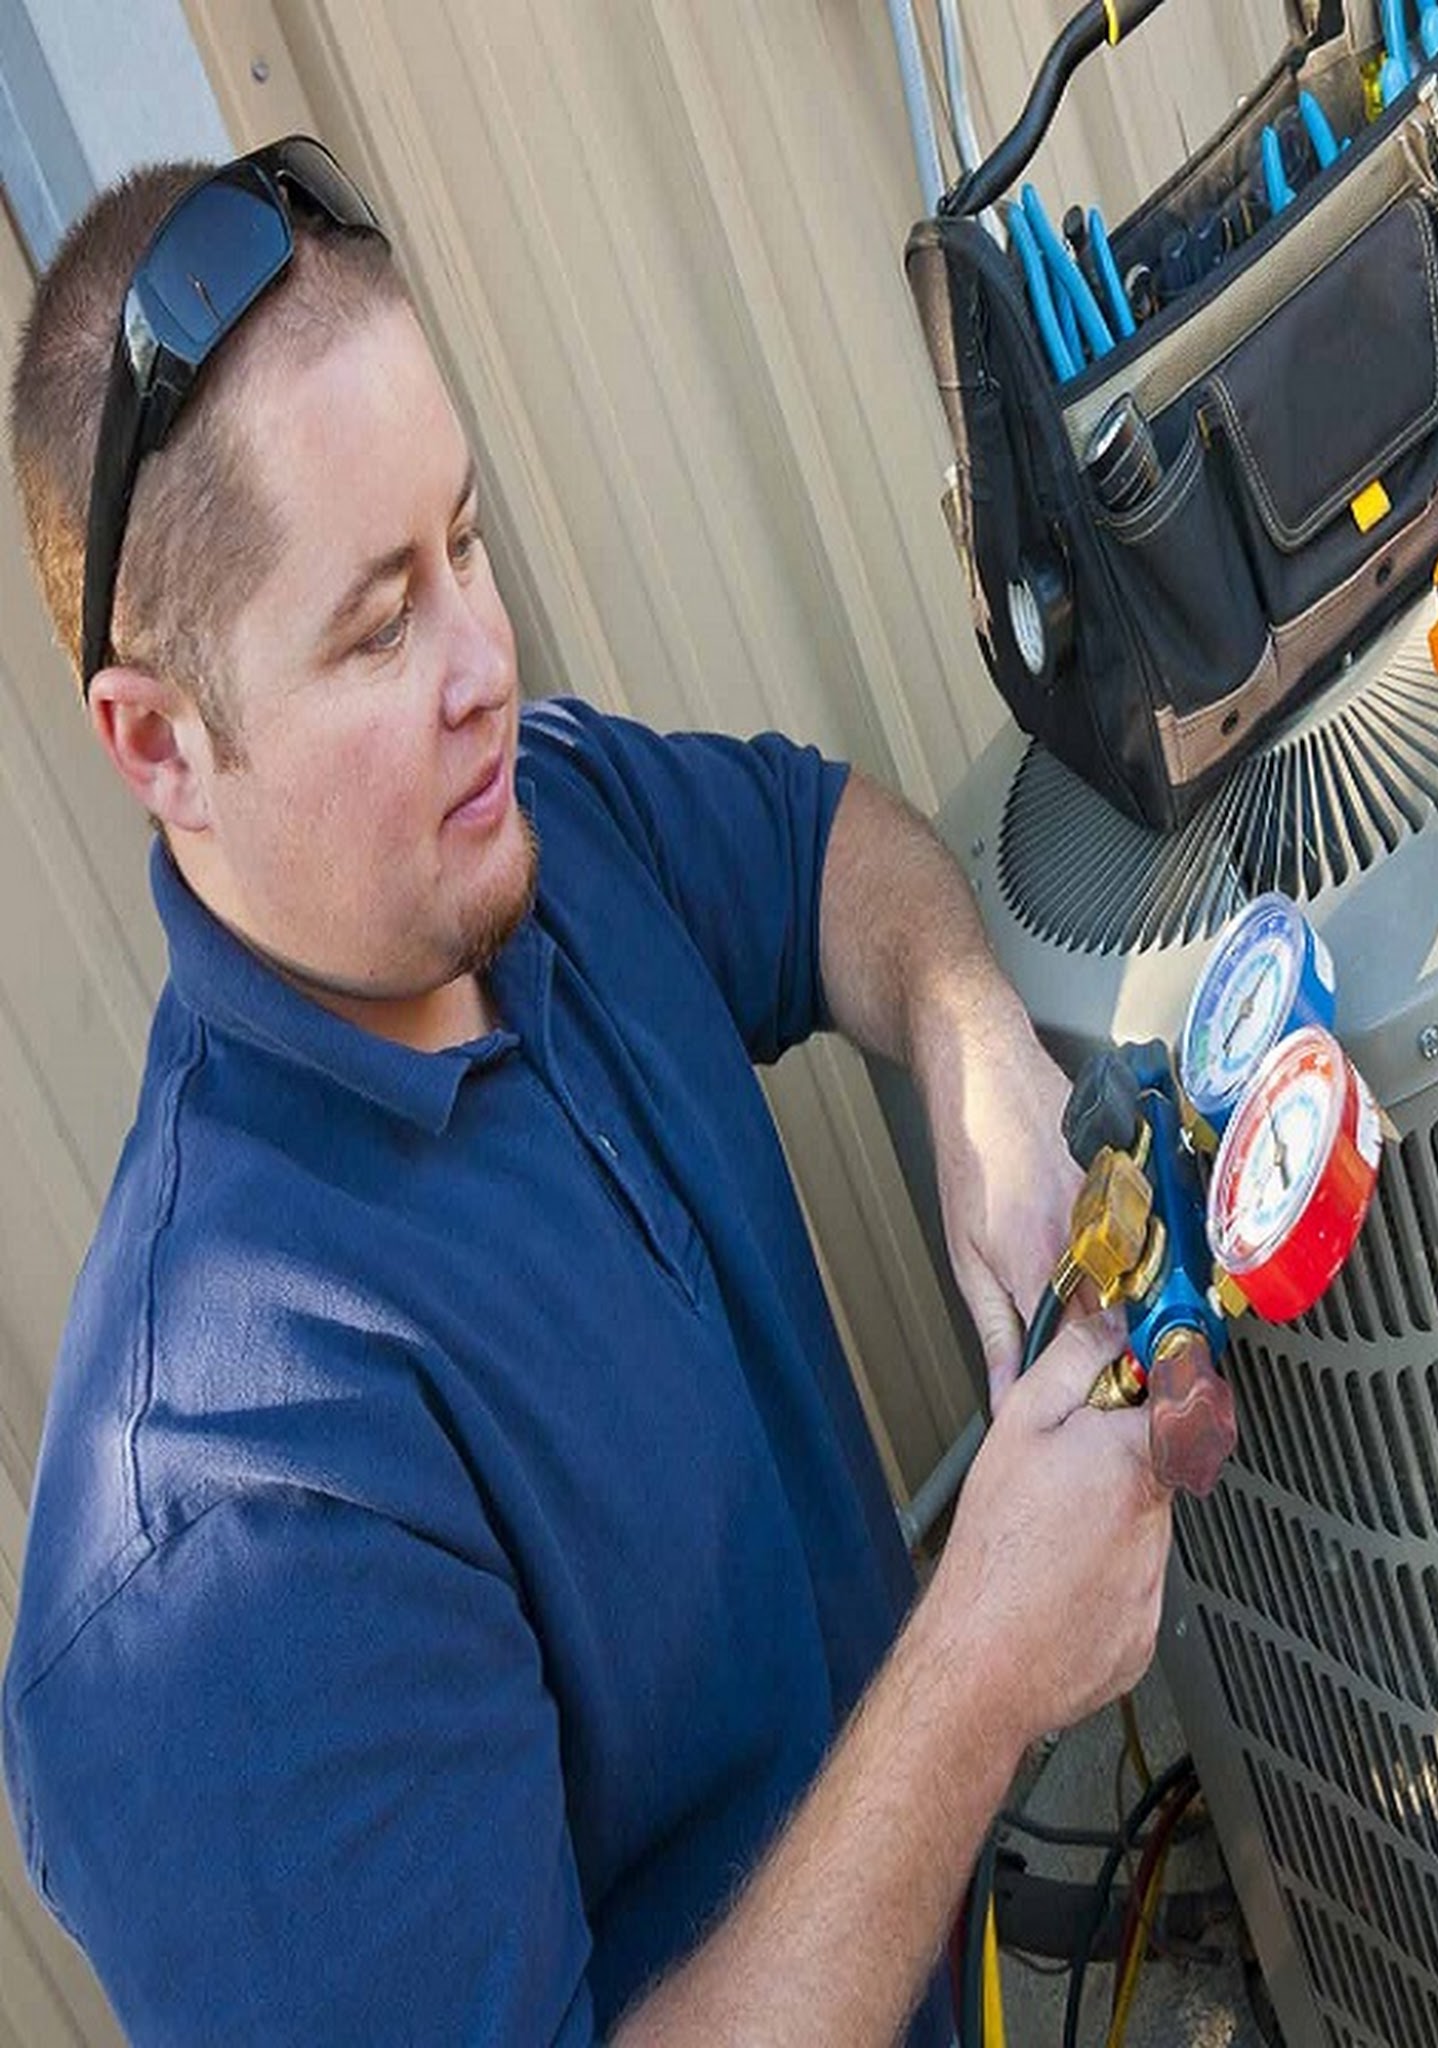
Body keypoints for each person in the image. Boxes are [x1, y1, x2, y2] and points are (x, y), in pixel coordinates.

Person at [2, 138, 1173, 2044]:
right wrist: (980, 1674)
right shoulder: (223, 1542)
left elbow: (823, 850)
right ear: (160, 747)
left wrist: (969, 1043)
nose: (484, 657)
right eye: (377, 624)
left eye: (463, 541)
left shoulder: (542, 822)